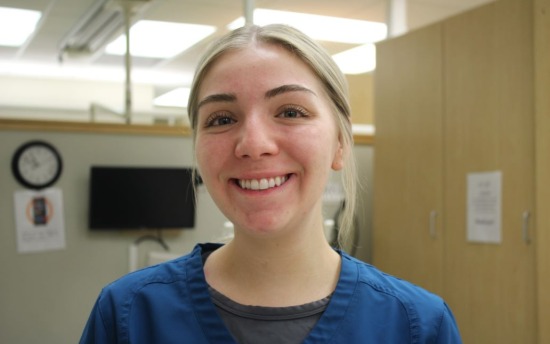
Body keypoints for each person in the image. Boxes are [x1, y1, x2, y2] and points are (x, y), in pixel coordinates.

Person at [80, 24, 462, 343]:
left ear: (340, 144)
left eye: (291, 112)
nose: (253, 144)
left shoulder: (417, 326)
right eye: (221, 119)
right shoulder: (129, 315)